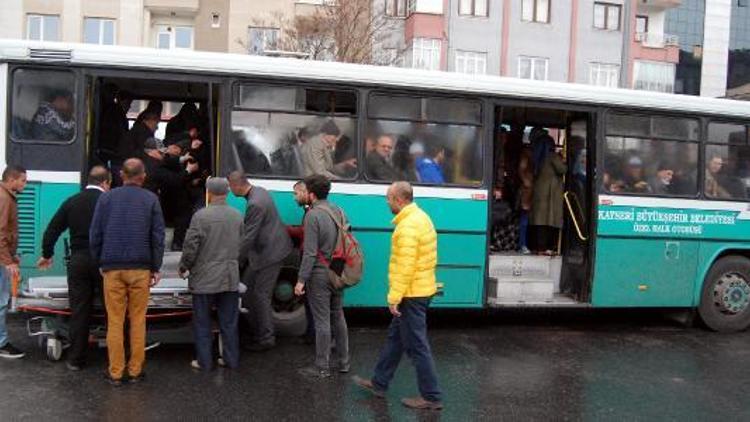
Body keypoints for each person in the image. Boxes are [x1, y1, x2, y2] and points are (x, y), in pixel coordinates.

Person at [352, 181, 442, 411]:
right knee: (396, 340)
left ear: (399, 200)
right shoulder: (420, 217)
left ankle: (431, 396)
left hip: (412, 294)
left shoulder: (408, 226)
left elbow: (405, 265)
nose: (387, 202)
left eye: (389, 198)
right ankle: (379, 383)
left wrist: (394, 297)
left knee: (417, 346)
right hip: (419, 289)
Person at [90, 158, 166, 386]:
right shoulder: (151, 199)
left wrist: (100, 263)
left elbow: (95, 234)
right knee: (138, 320)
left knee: (115, 321)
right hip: (141, 269)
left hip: (112, 268)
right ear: (143, 176)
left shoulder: (106, 198)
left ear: (121, 175)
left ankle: (115, 372)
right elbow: (158, 237)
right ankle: (134, 371)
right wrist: (156, 266)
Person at [37, 166, 111, 371]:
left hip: (78, 260)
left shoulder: (72, 201)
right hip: (104, 262)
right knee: (111, 310)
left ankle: (75, 359)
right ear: (105, 182)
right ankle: (114, 359)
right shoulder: (108, 201)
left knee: (79, 310)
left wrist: (47, 254)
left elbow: (52, 229)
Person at [179, 177, 243, 371]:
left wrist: (184, 266)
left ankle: (204, 362)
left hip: (205, 277)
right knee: (229, 322)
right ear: (227, 193)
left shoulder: (201, 216)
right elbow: (241, 244)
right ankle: (231, 360)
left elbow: (191, 246)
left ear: (209, 193)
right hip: (230, 277)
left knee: (202, 322)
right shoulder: (237, 215)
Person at [227, 171, 292, 351]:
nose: (230, 191)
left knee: (261, 295)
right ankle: (256, 330)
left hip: (270, 254)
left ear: (237, 185)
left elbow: (248, 237)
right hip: (269, 250)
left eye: (230, 187)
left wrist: (236, 260)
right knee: (248, 292)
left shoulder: (255, 203)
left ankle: (266, 338)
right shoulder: (260, 191)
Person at [293, 174, 350, 378]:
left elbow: (309, 252)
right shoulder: (339, 211)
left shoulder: (313, 215)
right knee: (338, 316)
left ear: (312, 194)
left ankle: (321, 366)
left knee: (321, 320)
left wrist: (300, 280)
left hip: (319, 273)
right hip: (337, 270)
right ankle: (344, 362)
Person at [142, 138, 199, 251]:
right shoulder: (154, 167)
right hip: (151, 203)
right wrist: (188, 170)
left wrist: (182, 159)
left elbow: (166, 161)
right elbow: (174, 180)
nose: (164, 155)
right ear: (151, 151)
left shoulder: (146, 160)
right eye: (160, 152)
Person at [0, 165, 27, 359]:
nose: (25, 184)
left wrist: (11, 255)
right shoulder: (4, 199)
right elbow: (0, 232)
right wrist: (8, 261)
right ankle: (1, 343)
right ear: (12, 180)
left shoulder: (5, 196)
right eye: (23, 180)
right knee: (1, 301)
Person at [530, 148, 566, 255]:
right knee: (546, 222)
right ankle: (544, 248)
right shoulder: (552, 156)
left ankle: (538, 247)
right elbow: (563, 169)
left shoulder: (540, 156)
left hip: (541, 194)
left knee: (540, 221)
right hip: (549, 196)